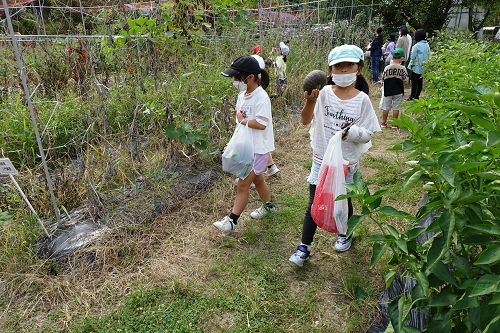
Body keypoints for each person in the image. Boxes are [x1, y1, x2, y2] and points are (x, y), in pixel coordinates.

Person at [289, 45, 381, 266]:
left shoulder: (362, 100)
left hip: (346, 162)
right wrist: (310, 100)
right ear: (330, 70)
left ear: (358, 69)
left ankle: (344, 233)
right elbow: (304, 120)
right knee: (314, 200)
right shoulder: (323, 95)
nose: (342, 71)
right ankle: (304, 246)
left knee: (344, 199)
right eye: (337, 66)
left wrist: (353, 133)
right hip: (322, 158)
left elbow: (367, 134)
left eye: (348, 65)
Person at [214, 56, 276, 232]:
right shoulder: (242, 95)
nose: (235, 81)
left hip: (259, 150)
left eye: (237, 78)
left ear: (249, 78)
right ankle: (269, 207)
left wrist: (242, 121)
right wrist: (232, 143)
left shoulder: (261, 97)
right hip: (248, 148)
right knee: (258, 180)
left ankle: (232, 222)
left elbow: (262, 124)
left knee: (242, 184)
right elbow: (239, 123)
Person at [378, 48, 409, 129]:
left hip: (387, 90)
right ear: (402, 58)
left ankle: (384, 122)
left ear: (392, 58)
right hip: (398, 90)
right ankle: (394, 124)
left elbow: (383, 79)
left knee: (386, 107)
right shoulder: (402, 68)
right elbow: (406, 79)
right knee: (396, 107)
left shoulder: (387, 68)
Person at [407, 29, 429, 101]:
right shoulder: (427, 45)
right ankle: (417, 96)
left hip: (416, 66)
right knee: (420, 82)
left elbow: (413, 57)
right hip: (423, 66)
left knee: (414, 83)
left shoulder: (416, 46)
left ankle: (412, 96)